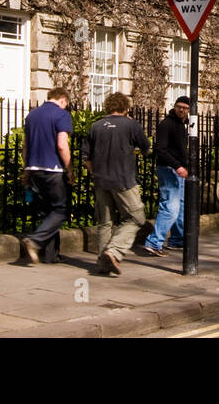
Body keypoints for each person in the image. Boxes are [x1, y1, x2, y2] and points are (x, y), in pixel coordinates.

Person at [85, 92, 150, 276]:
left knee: (105, 222)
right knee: (136, 218)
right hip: (123, 180)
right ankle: (113, 252)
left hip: (100, 180)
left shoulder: (95, 126)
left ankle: (103, 263)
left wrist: (95, 173)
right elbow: (146, 147)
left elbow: (86, 157)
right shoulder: (131, 125)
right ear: (125, 107)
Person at [21, 87, 73, 264]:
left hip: (34, 169)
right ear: (63, 100)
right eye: (66, 104)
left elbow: (25, 146)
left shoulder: (32, 115)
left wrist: (26, 169)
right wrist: (70, 169)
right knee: (61, 210)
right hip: (52, 170)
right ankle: (34, 241)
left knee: (48, 213)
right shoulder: (61, 115)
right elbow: (62, 145)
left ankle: (51, 256)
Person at [142, 96, 190, 256]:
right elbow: (160, 149)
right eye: (179, 107)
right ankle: (154, 242)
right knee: (170, 207)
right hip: (169, 170)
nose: (182, 110)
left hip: (178, 170)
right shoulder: (167, 124)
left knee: (181, 206)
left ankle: (177, 239)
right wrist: (177, 167)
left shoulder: (182, 125)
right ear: (174, 107)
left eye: (185, 108)